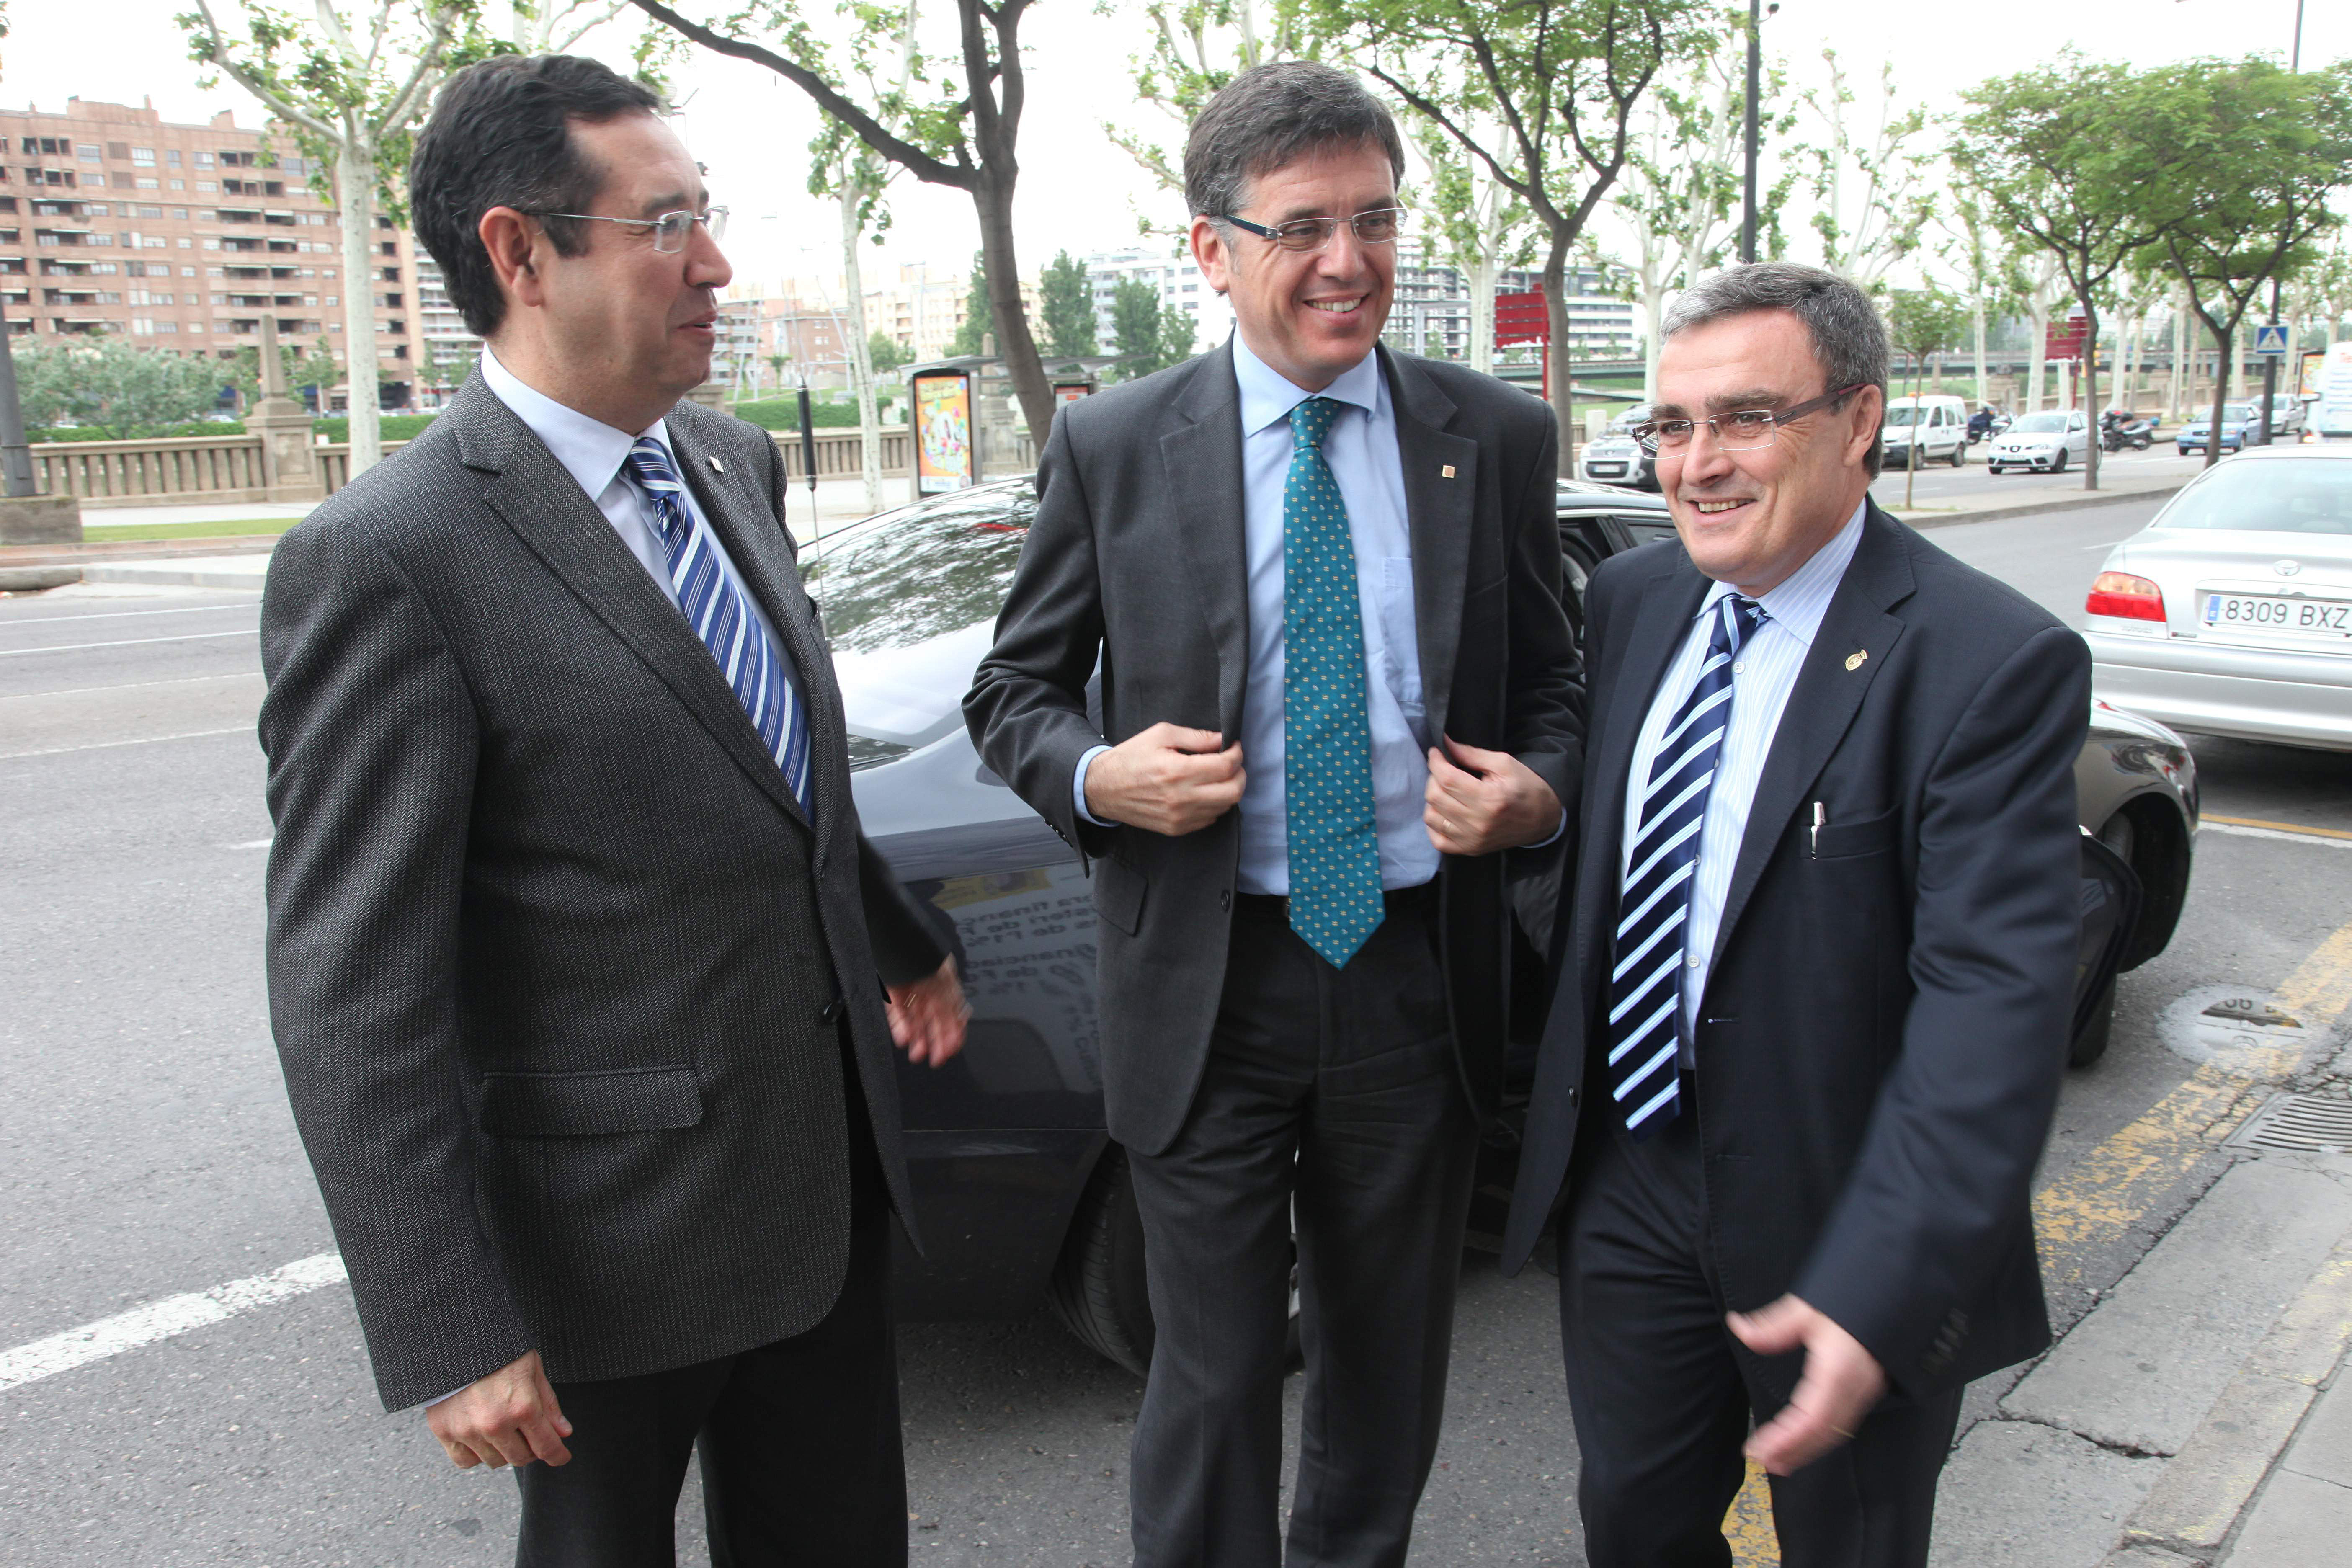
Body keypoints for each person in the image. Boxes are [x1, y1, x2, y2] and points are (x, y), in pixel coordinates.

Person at [257, 54, 966, 1567]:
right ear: (521, 253)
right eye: (664, 225)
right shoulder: (390, 556)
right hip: (604, 1245)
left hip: (821, 1181)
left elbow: (776, 768)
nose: (714, 266)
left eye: (706, 215)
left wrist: (902, 936)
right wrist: (454, 1326)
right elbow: (352, 990)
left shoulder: (729, 458)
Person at [965, 60, 1583, 1568]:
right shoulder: (1116, 445)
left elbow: (1558, 682)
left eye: (1376, 220)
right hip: (1207, 982)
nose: (1348, 262)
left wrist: (1540, 793)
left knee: (1386, 1367)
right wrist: (1100, 777)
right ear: (1213, 249)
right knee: (1216, 1370)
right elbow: (1014, 690)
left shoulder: (1493, 436)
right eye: (1303, 227)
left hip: (1415, 977)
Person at [1501, 262, 2086, 1568]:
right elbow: (1620, 876)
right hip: (1633, 1177)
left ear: (1859, 421)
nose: (1698, 464)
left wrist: (1884, 1281)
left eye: (1748, 419)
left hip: (1843, 1215)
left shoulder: (1989, 661)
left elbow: (1990, 1016)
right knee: (1632, 1530)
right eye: (1673, 425)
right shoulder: (1635, 601)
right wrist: (1533, 830)